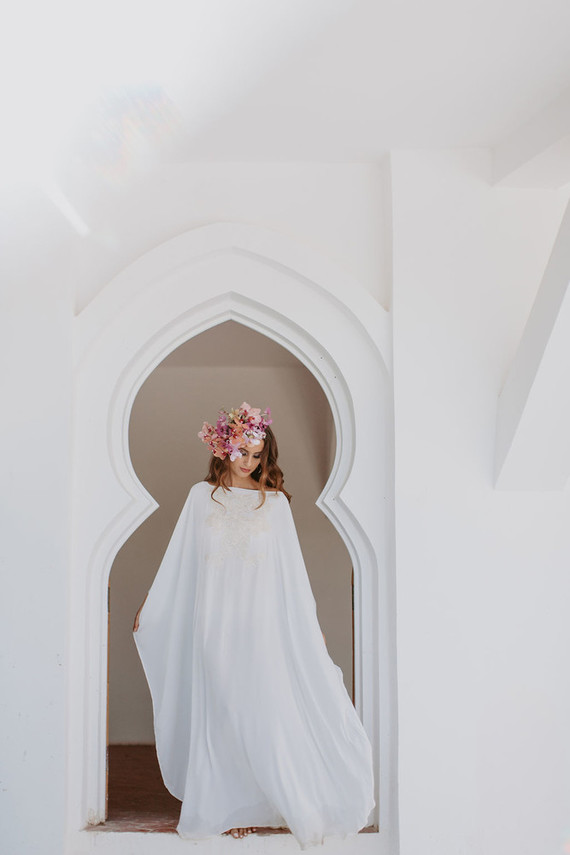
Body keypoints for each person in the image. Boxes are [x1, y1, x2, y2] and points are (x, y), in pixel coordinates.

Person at [133, 402, 374, 847]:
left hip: (261, 626)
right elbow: (179, 560)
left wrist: (309, 627)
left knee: (262, 707)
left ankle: (265, 799)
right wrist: (152, 604)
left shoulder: (276, 504)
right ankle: (228, 805)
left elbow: (292, 573)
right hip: (215, 624)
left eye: (258, 454)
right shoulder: (198, 497)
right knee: (222, 709)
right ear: (224, 448)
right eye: (242, 450)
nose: (249, 461)